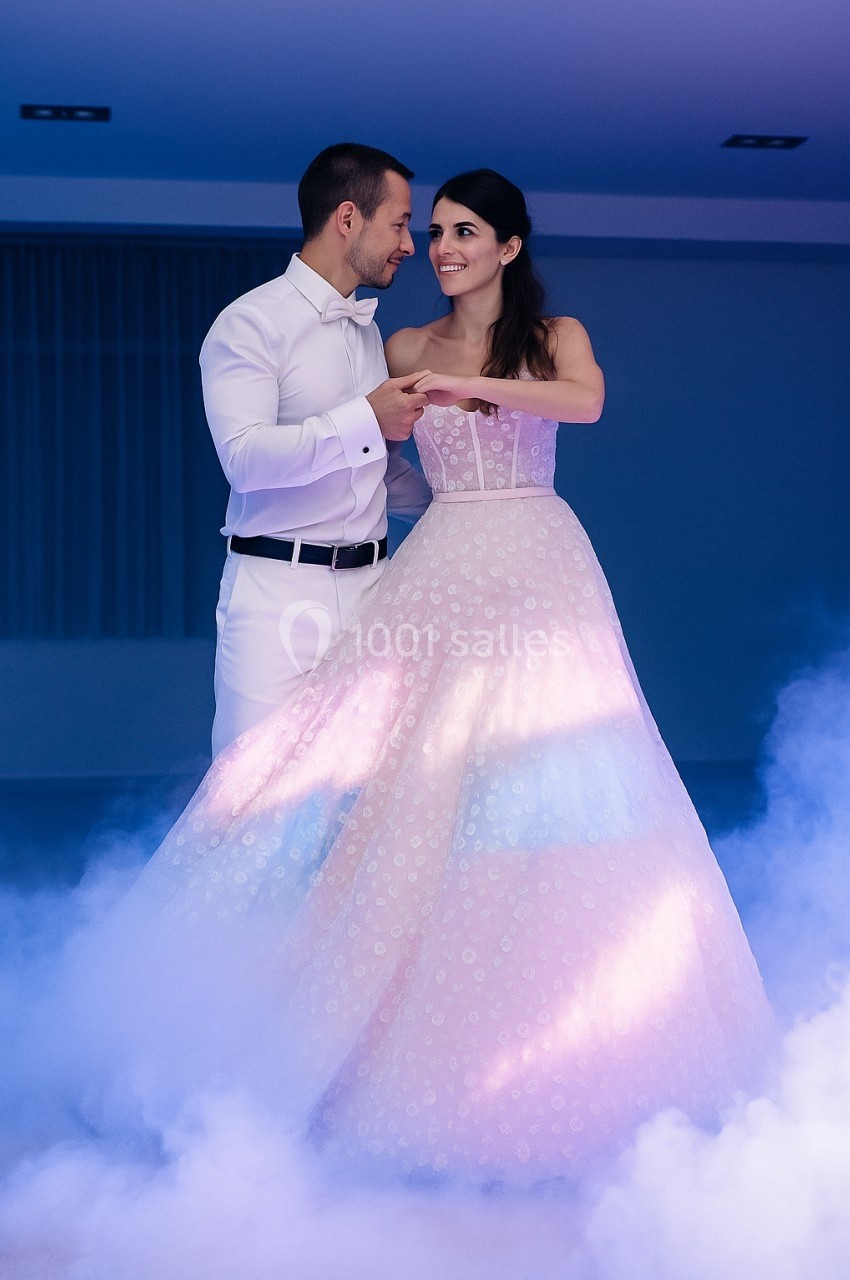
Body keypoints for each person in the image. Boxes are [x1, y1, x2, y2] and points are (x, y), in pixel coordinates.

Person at [139, 168, 774, 1186]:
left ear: (510, 246)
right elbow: (387, 468)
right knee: (410, 798)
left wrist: (469, 388)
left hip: (536, 563)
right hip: (434, 563)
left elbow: (587, 402)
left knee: (552, 788)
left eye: (464, 231)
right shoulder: (400, 346)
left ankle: (565, 1027)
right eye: (430, 230)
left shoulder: (551, 335)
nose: (440, 248)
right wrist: (386, 454)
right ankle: (312, 1034)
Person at [200, 142, 432, 757]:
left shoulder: (367, 329)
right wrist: (365, 416)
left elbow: (372, 466)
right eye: (401, 223)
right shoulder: (250, 323)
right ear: (349, 219)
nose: (410, 245)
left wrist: (461, 507)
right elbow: (245, 461)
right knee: (249, 795)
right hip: (276, 593)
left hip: (375, 593)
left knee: (361, 799)